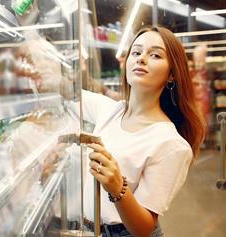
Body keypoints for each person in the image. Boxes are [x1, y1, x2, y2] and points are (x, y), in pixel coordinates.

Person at [81, 26, 206, 237]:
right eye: (136, 52)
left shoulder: (171, 144)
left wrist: (118, 187)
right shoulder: (113, 110)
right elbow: (65, 92)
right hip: (89, 229)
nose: (141, 59)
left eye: (155, 54)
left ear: (172, 75)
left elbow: (143, 228)